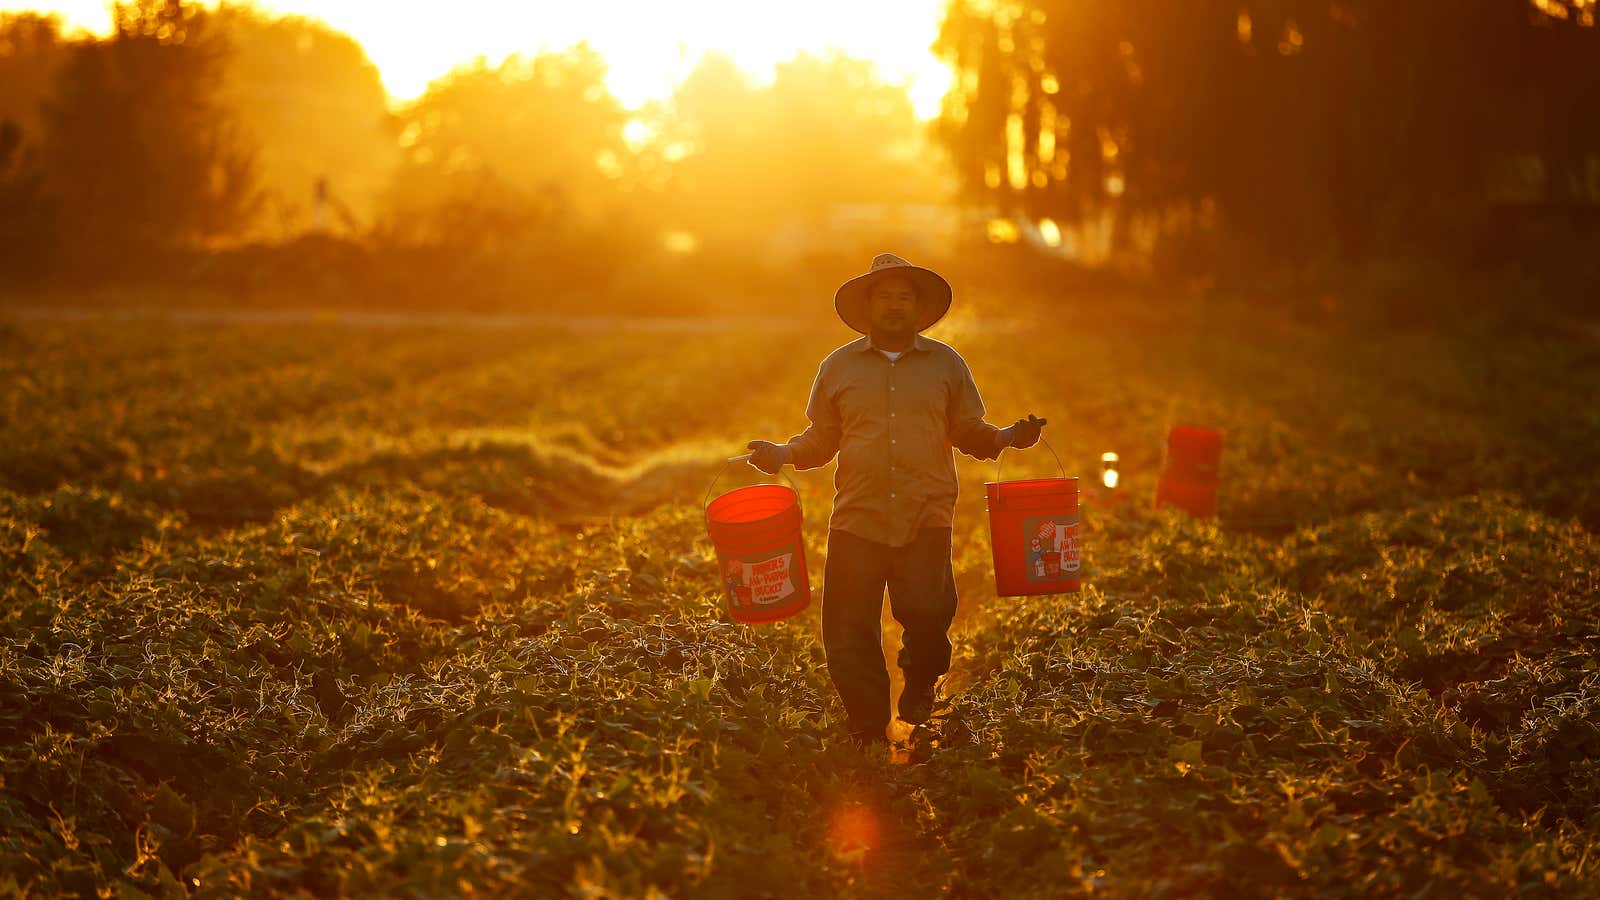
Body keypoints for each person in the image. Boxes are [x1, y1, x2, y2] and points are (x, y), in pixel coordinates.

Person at [744, 252, 1046, 748]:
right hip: (857, 514)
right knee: (847, 629)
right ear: (868, 306)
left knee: (930, 615)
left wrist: (1010, 436)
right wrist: (782, 453)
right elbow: (821, 437)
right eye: (884, 296)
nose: (895, 305)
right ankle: (866, 727)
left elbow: (969, 431)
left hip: (925, 510)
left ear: (918, 307)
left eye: (905, 296)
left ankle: (920, 689)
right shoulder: (838, 366)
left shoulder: (946, 364)